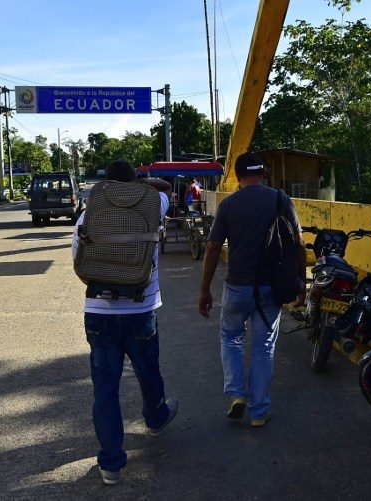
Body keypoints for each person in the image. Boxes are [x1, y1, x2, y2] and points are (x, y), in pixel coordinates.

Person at [71, 159, 178, 485]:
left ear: (106, 182)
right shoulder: (153, 206)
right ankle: (156, 417)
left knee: (105, 390)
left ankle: (111, 465)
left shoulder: (88, 215)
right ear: (134, 182)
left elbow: (78, 258)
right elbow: (167, 190)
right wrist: (147, 184)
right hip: (140, 309)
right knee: (148, 370)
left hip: (99, 312)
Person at [197, 152, 306, 427]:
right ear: (264, 172)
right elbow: (300, 244)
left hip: (236, 287)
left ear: (237, 175)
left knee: (231, 337)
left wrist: (204, 290)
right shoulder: (281, 199)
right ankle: (259, 412)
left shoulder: (228, 205)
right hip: (271, 287)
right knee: (263, 347)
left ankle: (236, 394)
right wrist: (301, 282)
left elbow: (212, 247)